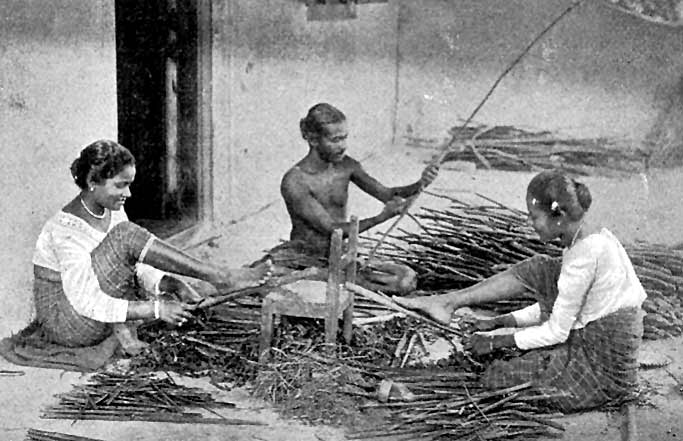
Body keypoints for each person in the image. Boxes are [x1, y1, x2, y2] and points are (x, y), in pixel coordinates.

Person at [395, 170, 647, 412]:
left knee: (498, 377)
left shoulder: (583, 255)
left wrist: (496, 340)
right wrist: (498, 321)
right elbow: (564, 306)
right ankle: (449, 302)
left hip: (601, 367)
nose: (530, 223)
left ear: (557, 216)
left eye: (534, 216)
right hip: (593, 338)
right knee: (539, 268)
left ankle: (450, 304)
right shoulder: (585, 237)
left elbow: (557, 331)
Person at [24, 140, 270, 359]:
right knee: (126, 235)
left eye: (129, 185)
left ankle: (217, 277)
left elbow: (130, 264)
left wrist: (169, 284)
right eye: (120, 185)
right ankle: (220, 276)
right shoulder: (65, 229)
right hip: (68, 324)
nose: (128, 194)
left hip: (96, 314)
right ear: (91, 182)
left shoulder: (112, 209)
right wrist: (156, 308)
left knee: (127, 237)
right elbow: (87, 302)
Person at [273, 103, 439, 292]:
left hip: (337, 254)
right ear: (313, 139)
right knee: (400, 285)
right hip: (305, 259)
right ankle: (321, 281)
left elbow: (387, 194)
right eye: (335, 140)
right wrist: (381, 218)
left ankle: (341, 280)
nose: (343, 146)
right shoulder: (295, 181)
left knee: (406, 277)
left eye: (344, 138)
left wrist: (421, 183)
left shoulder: (346, 166)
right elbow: (332, 230)